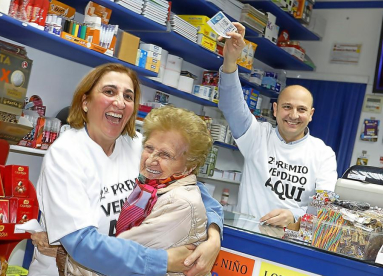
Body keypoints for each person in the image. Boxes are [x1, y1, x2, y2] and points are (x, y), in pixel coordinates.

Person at [29, 63, 223, 276]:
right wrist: (163, 260)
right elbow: (83, 245)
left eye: (128, 96)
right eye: (109, 91)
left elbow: (191, 186)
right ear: (85, 102)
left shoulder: (138, 145)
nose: (120, 102)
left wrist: (214, 237)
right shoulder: (66, 154)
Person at [66, 106, 213, 276]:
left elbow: (113, 262)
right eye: (149, 148)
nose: (151, 160)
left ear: (190, 165)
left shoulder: (180, 202)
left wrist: (69, 252)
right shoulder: (146, 188)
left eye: (165, 155)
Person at [218, 23, 337, 227]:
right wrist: (230, 60)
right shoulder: (257, 136)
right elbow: (231, 105)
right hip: (247, 239)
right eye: (287, 107)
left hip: (288, 247)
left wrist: (295, 217)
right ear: (275, 109)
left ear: (311, 115)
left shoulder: (323, 154)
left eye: (301, 109)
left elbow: (323, 208)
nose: (293, 115)